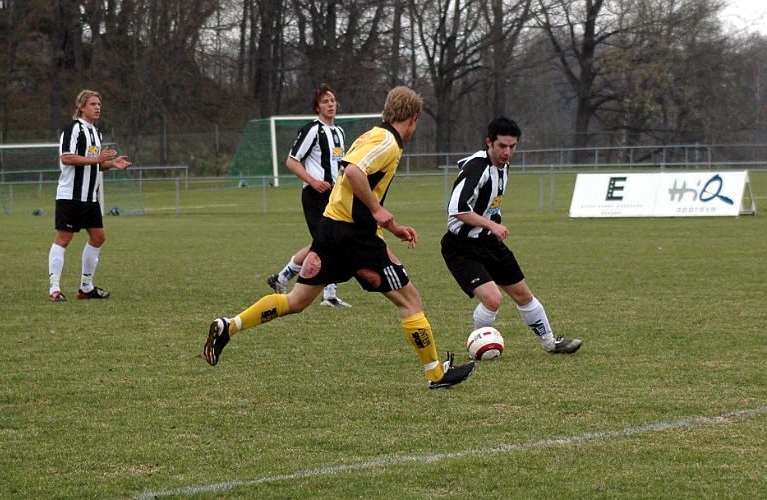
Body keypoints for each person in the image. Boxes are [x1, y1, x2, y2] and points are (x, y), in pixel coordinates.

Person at [205, 86, 476, 389]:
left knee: (295, 301)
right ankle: (436, 375)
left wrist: (391, 225)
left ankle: (230, 326)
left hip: (330, 229)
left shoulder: (373, 135)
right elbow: (353, 173)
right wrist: (377, 212)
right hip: (355, 238)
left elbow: (357, 189)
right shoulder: (387, 141)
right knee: (411, 302)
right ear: (413, 119)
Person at [440, 117, 582, 354]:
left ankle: (551, 344)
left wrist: (492, 224)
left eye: (512, 146)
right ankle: (476, 349)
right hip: (461, 247)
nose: (507, 152)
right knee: (493, 299)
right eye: (502, 146)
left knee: (523, 294)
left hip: (489, 242)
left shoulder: (503, 166)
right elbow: (457, 208)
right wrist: (492, 225)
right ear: (489, 143)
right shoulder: (478, 167)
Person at [267, 84, 351, 308]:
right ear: (317, 106)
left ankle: (282, 278)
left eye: (332, 100)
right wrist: (312, 181)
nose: (330, 104)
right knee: (328, 243)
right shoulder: (312, 130)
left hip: (335, 197)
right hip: (315, 196)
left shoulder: (340, 132)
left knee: (327, 242)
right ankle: (328, 295)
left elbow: (340, 164)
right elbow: (291, 161)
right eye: (325, 101)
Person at [47, 90, 131, 302]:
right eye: (93, 104)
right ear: (82, 107)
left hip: (89, 198)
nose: (97, 107)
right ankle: (54, 288)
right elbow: (66, 158)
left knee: (98, 236)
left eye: (99, 104)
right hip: (70, 196)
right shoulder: (73, 129)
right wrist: (96, 159)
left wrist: (111, 163)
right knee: (64, 238)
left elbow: (95, 164)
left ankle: (86, 287)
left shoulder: (96, 133)